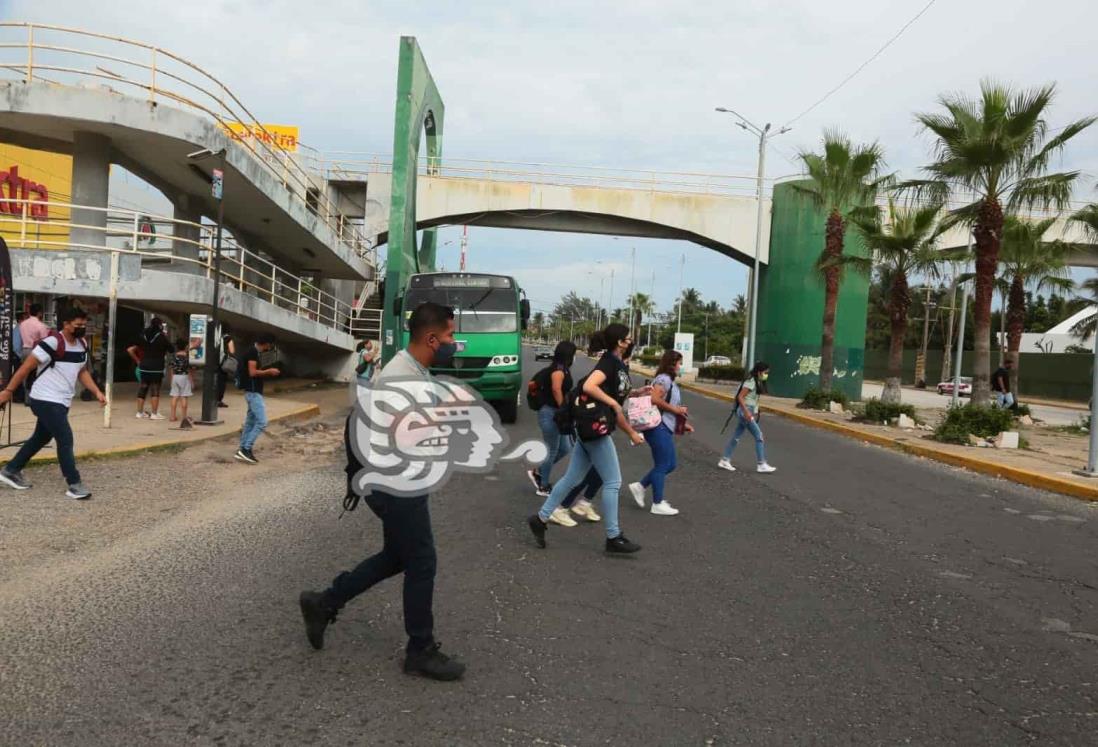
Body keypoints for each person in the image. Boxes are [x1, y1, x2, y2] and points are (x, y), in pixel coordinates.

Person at [298, 302, 466, 682]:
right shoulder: (403, 378)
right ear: (432, 338)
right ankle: (420, 649)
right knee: (422, 560)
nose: (455, 343)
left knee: (397, 557)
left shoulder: (414, 370)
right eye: (451, 336)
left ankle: (324, 603)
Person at [527, 323, 647, 554]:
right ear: (620, 342)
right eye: (629, 338)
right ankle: (613, 536)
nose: (632, 341)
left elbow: (613, 393)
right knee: (613, 481)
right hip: (595, 429)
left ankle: (540, 519)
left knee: (572, 478)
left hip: (590, 428)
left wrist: (635, 393)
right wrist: (621, 417)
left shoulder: (618, 364)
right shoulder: (609, 363)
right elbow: (592, 386)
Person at [0, 307, 106, 499]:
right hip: (44, 398)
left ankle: (11, 470)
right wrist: (8, 391)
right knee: (65, 438)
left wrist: (96, 391)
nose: (82, 328)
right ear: (65, 324)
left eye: (84, 324)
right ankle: (74, 484)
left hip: (62, 400)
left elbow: (81, 371)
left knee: (41, 437)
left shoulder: (81, 344)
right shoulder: (51, 342)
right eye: (78, 325)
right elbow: (25, 368)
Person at [629, 349, 693, 516]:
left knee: (670, 464)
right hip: (658, 426)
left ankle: (640, 486)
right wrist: (676, 411)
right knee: (663, 464)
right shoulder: (663, 379)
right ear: (672, 364)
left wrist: (682, 422)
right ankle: (657, 503)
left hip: (665, 425)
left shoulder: (670, 381)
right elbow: (654, 399)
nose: (680, 366)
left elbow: (669, 405)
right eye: (679, 363)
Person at [527, 340, 576, 502]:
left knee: (565, 448)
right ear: (569, 355)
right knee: (552, 450)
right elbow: (556, 388)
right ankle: (544, 485)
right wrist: (563, 408)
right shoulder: (558, 370)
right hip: (550, 413)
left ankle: (538, 472)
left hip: (555, 413)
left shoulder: (562, 368)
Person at [717, 361, 776, 474]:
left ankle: (725, 459)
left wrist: (755, 410)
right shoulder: (751, 381)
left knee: (736, 436)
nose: (766, 374)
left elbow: (752, 399)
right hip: (745, 412)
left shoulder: (756, 381)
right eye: (765, 372)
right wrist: (746, 412)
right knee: (759, 436)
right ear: (759, 372)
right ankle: (761, 464)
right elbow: (740, 397)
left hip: (747, 411)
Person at [234, 332, 281, 464]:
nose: (269, 348)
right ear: (266, 343)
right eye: (269, 345)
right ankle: (246, 449)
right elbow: (252, 372)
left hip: (252, 392)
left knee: (250, 422)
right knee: (262, 422)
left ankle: (242, 449)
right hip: (253, 392)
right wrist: (269, 371)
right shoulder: (252, 352)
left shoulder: (253, 352)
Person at [127, 317, 173, 420]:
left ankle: (139, 413)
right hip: (157, 367)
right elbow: (171, 349)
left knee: (143, 387)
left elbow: (131, 349)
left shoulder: (143, 336)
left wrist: (138, 360)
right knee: (155, 389)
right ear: (160, 325)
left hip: (144, 366)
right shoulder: (162, 337)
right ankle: (154, 413)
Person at [19, 304, 48, 407]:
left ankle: (26, 398)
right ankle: (34, 398)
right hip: (37, 351)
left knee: (25, 373)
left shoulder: (23, 324)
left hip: (25, 349)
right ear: (39, 313)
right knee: (36, 374)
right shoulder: (41, 326)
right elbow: (45, 341)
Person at [169, 338, 194, 422]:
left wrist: (172, 379)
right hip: (184, 377)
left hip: (175, 377)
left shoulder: (173, 356)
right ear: (186, 346)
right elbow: (190, 369)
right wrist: (191, 381)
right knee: (184, 397)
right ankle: (184, 417)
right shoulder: (188, 356)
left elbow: (171, 368)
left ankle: (172, 416)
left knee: (174, 396)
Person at [217, 326, 235, 408]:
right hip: (222, 363)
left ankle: (212, 399)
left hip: (213, 361)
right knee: (221, 382)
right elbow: (232, 351)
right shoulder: (228, 338)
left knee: (214, 381)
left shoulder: (216, 337)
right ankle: (218, 400)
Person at [11, 311, 26, 404]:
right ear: (21, 319)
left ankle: (19, 396)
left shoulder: (20, 329)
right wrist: (21, 356)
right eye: (25, 318)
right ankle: (17, 396)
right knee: (18, 375)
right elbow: (16, 346)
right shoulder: (19, 329)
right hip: (18, 356)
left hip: (18, 355)